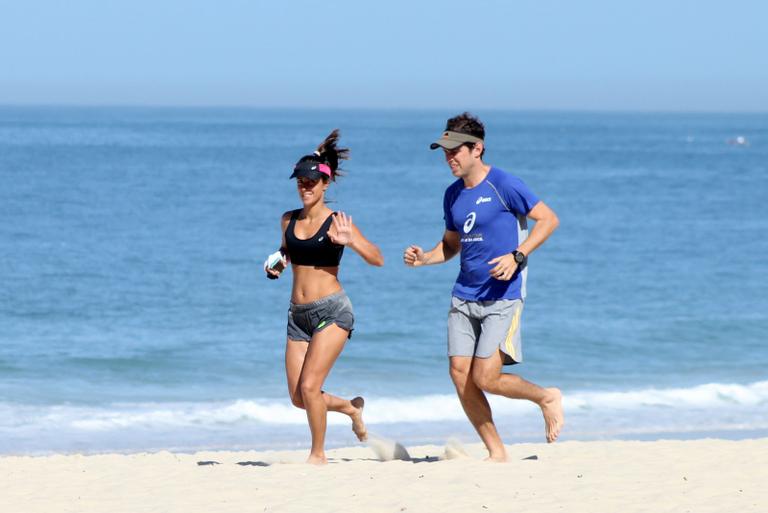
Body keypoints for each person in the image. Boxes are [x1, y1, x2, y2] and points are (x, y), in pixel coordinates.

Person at [403, 112, 564, 461]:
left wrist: (518, 255)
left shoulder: (504, 184)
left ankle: (545, 397)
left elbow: (549, 219)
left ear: (477, 149)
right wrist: (424, 258)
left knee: (486, 377)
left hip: (503, 296)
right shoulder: (452, 195)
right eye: (445, 152)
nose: (449, 158)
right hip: (464, 296)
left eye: (454, 151)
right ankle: (497, 453)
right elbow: (450, 245)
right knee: (460, 375)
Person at [266, 129, 384, 465]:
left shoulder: (337, 223)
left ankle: (318, 454)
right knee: (299, 397)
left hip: (332, 311)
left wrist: (352, 242)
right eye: (300, 182)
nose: (305, 187)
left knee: (311, 386)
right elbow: (288, 251)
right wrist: (278, 263)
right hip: (297, 315)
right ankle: (351, 408)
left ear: (325, 184)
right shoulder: (287, 219)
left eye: (311, 182)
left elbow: (377, 258)